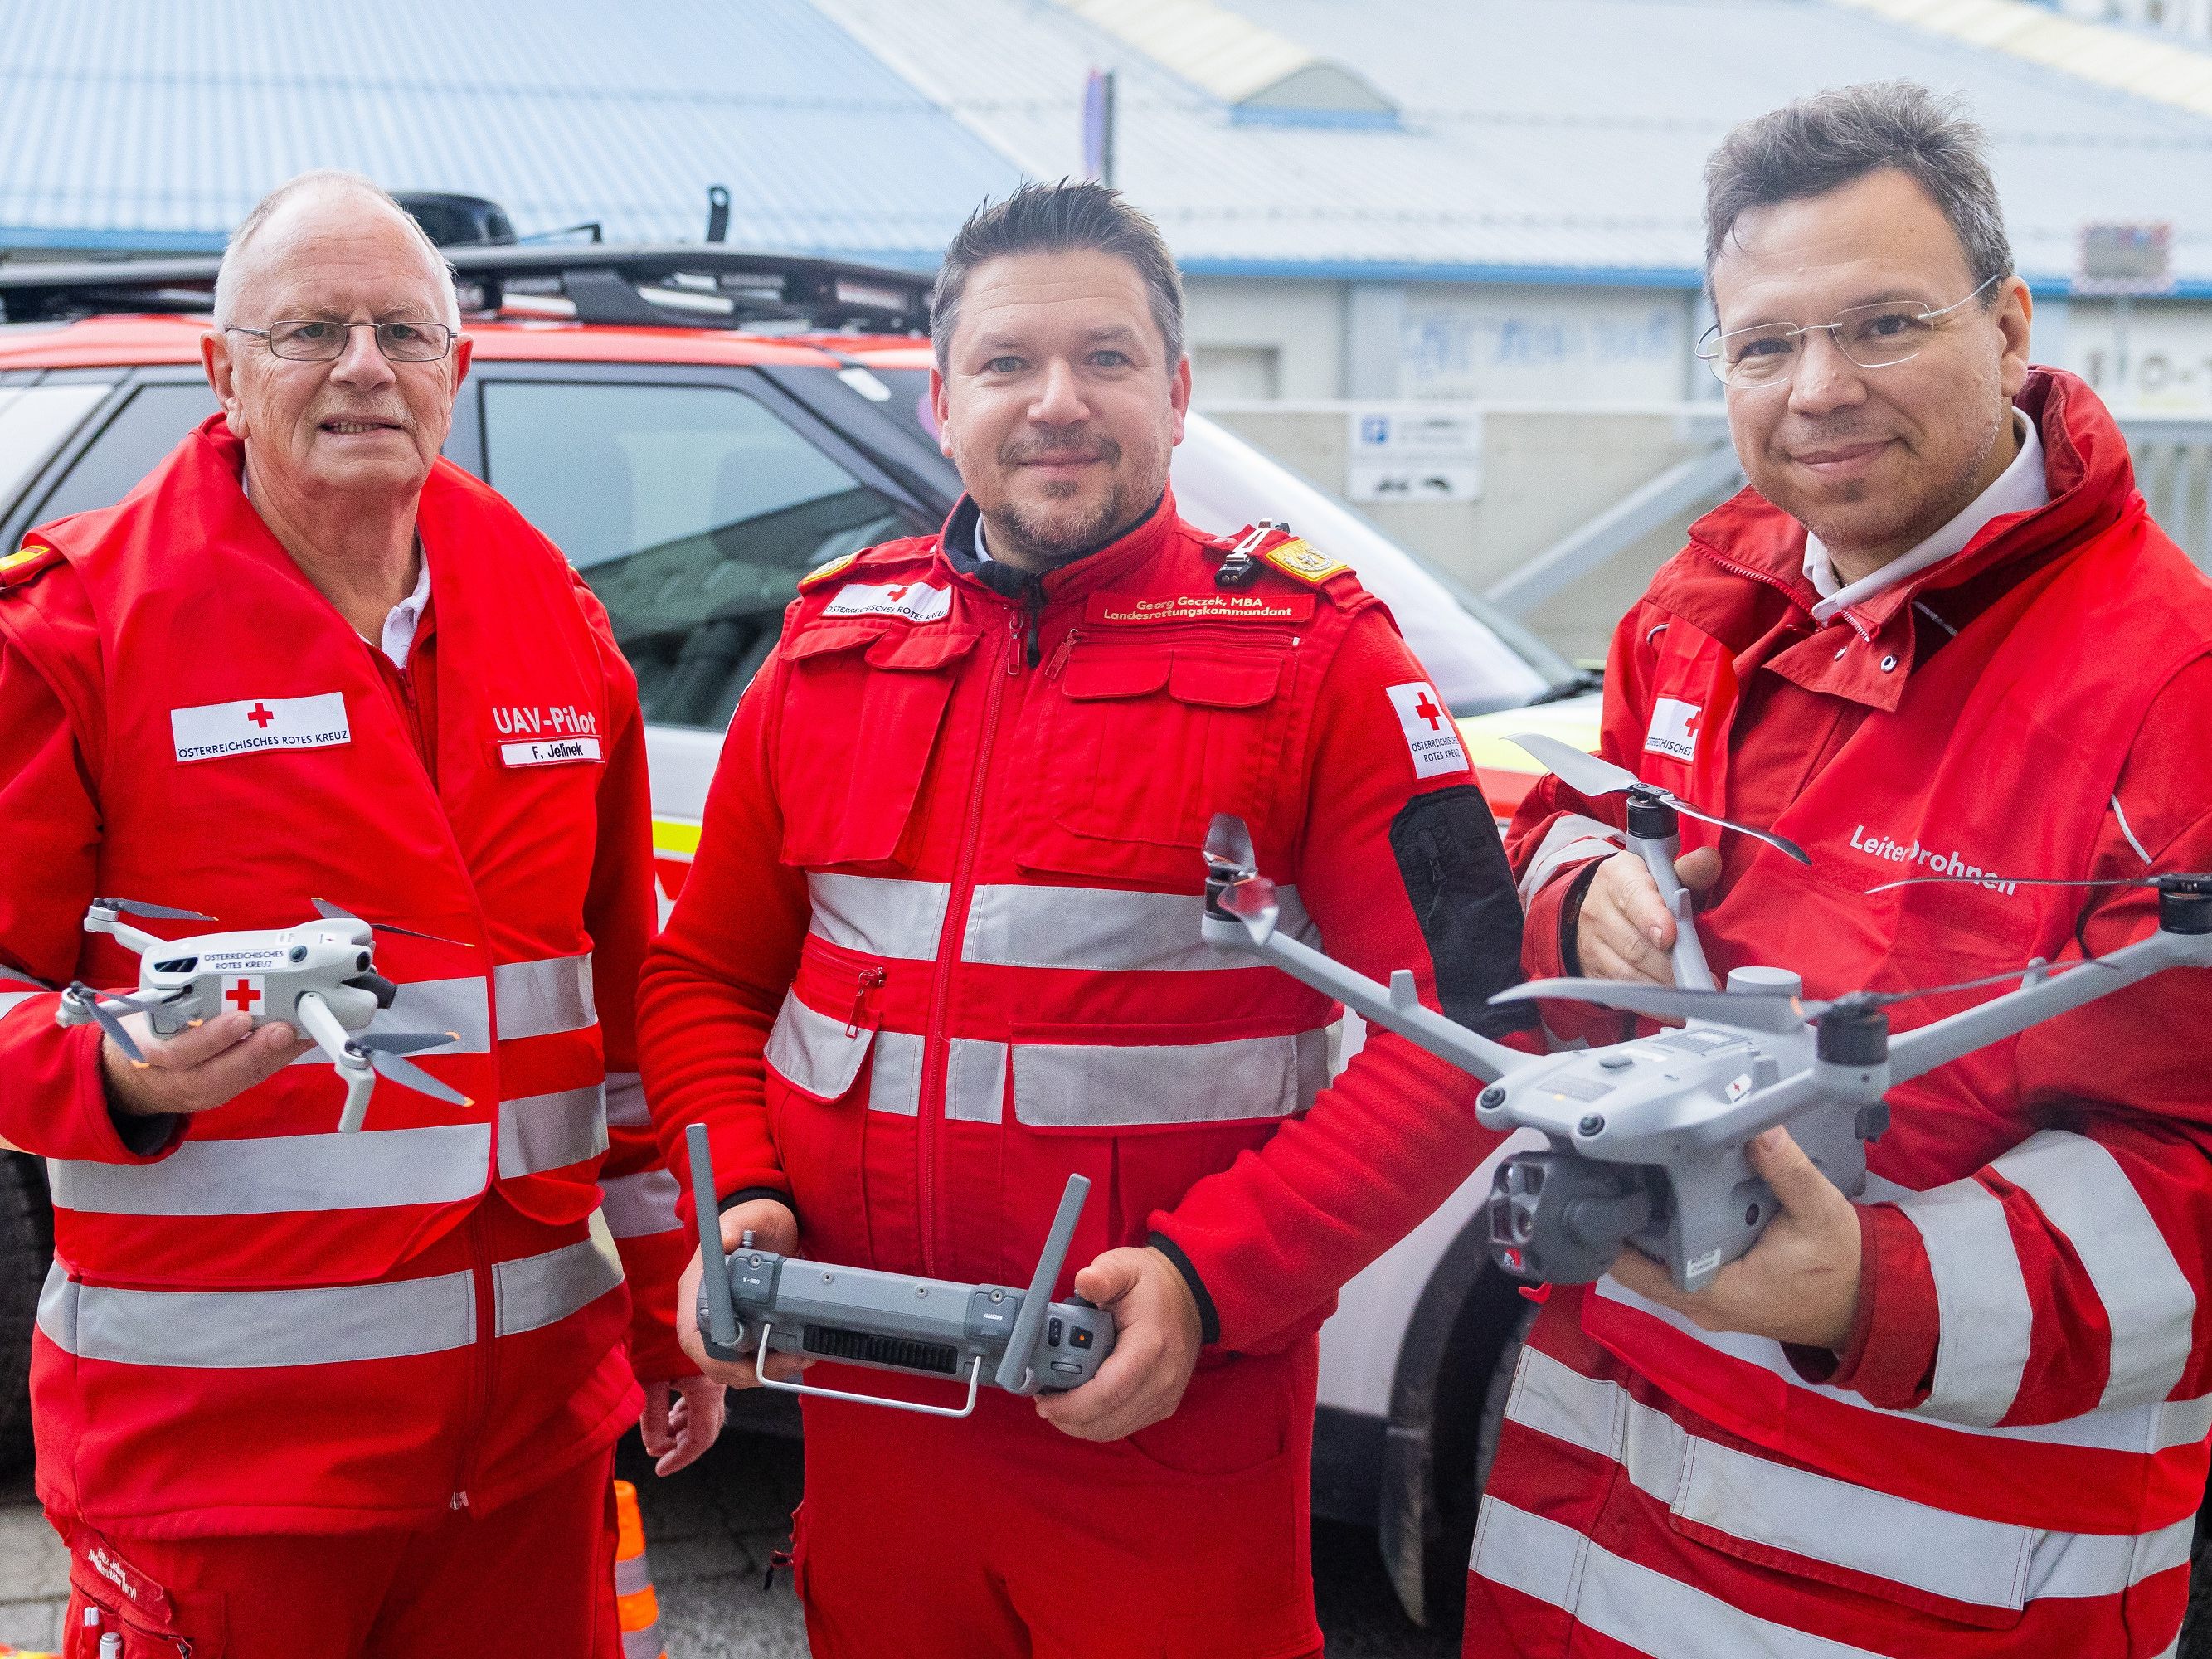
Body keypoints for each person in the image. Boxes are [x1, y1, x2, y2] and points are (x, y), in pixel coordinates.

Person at [637, 180, 1533, 1658]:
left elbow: (1469, 1034)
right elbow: (707, 981)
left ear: (1178, 396)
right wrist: (738, 1200)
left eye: (1107, 360)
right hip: (873, 1417)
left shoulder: (1325, 663)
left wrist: (1209, 1280)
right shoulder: (824, 652)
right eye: (1007, 364)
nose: (1057, 403)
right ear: (943, 401)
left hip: (1170, 1433)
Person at [1481, 84, 2212, 1657]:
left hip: (1928, 1590)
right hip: (1578, 1542)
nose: (1816, 390)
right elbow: (1569, 819)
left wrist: (1864, 1285)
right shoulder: (1701, 602)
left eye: (1882, 325)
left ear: (2009, 329)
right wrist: (1574, 881)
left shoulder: (2176, 695)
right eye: (1761, 346)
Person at [0, 171, 717, 1657]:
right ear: (220, 372)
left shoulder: (552, 617)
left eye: (403, 329)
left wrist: (663, 1304)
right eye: (310, 329)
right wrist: (114, 1076)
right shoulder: (73, 631)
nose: (364, 367)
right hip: (225, 1483)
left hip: (525, 1463)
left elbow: (625, 1017)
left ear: (459, 370)